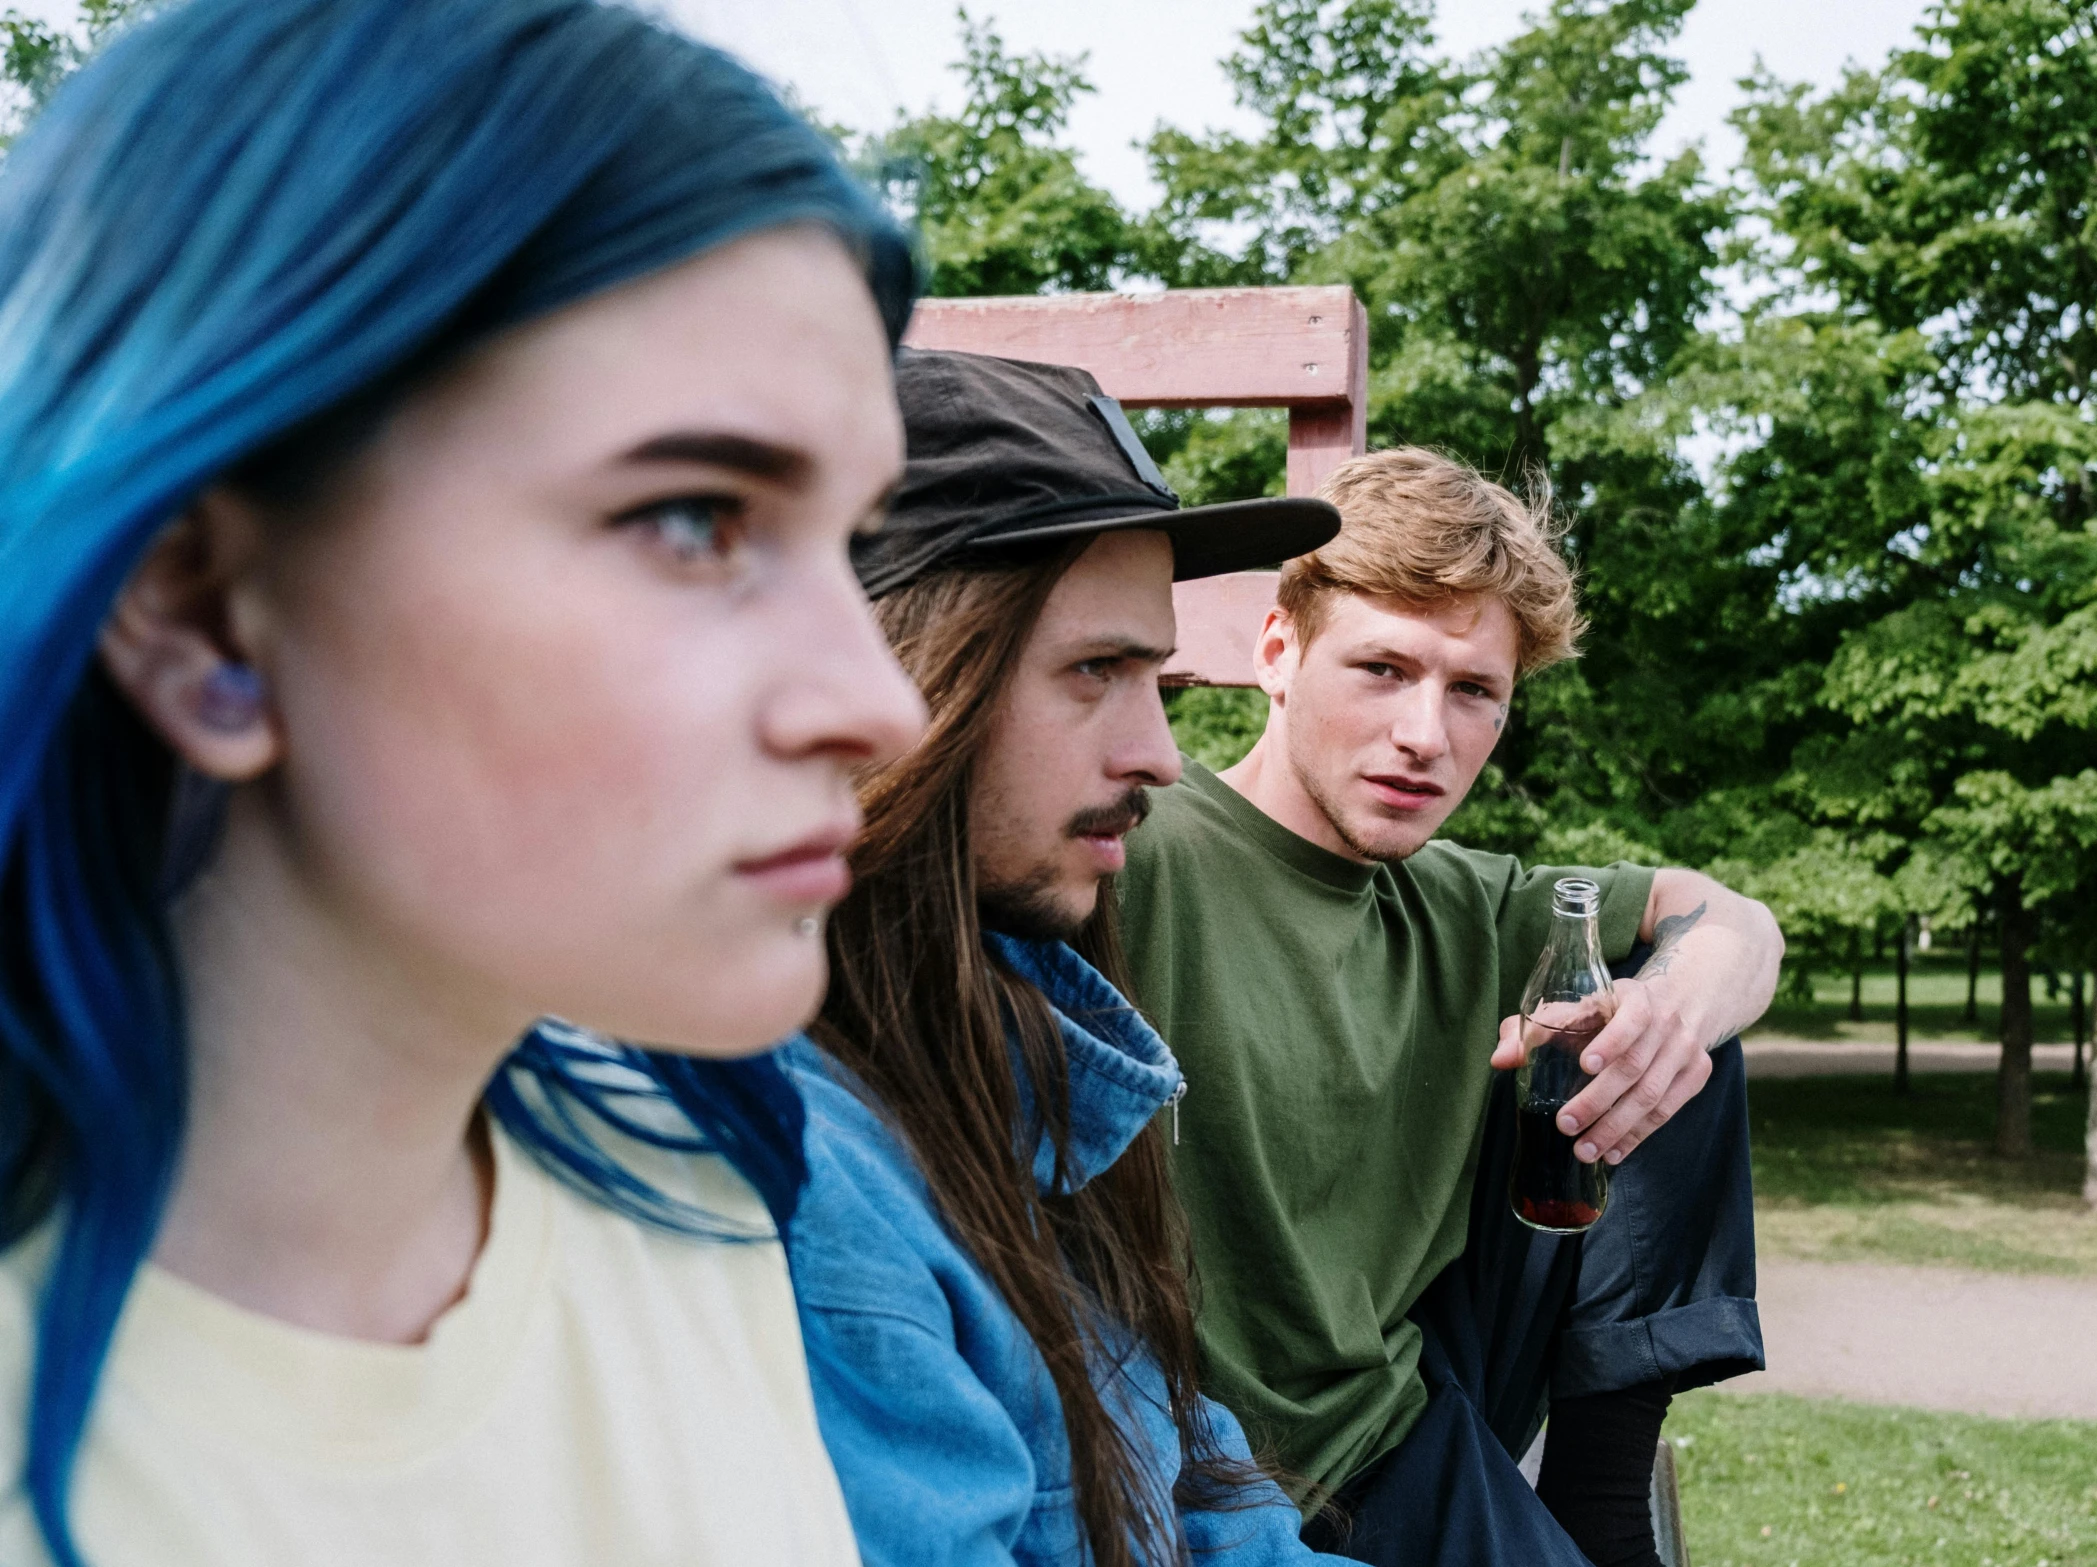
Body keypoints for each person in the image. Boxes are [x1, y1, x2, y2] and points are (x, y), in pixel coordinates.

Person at [0, 2, 930, 1562]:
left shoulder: (689, 1176)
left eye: (856, 544)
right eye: (696, 519)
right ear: (204, 611)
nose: (879, 703)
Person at [1118, 447, 1786, 1567]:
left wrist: (1671, 1007)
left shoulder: (1463, 900)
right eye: (1383, 668)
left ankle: (1601, 1506)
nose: (1427, 734)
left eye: (1474, 690)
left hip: (1392, 1422)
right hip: (1193, 1453)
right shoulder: (1137, 837)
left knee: (1671, 1030)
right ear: (1276, 653)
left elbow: (1736, 920)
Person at [779, 349, 1356, 1567]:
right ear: (901, 676)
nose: (1158, 754)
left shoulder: (1027, 1064)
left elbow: (1209, 1500)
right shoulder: (815, 1193)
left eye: (1156, 675)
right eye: (1093, 670)